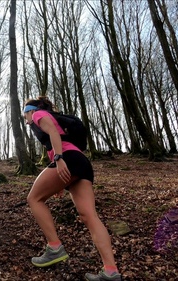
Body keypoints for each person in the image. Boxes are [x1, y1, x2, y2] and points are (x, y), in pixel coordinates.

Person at [23, 96, 122, 281]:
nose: (25, 120)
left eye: (24, 115)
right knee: (89, 216)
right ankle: (110, 271)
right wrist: (59, 182)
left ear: (29, 110)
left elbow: (52, 132)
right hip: (81, 162)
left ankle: (54, 247)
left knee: (34, 199)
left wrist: (59, 159)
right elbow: (55, 138)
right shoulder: (50, 116)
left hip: (68, 158)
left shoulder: (38, 114)